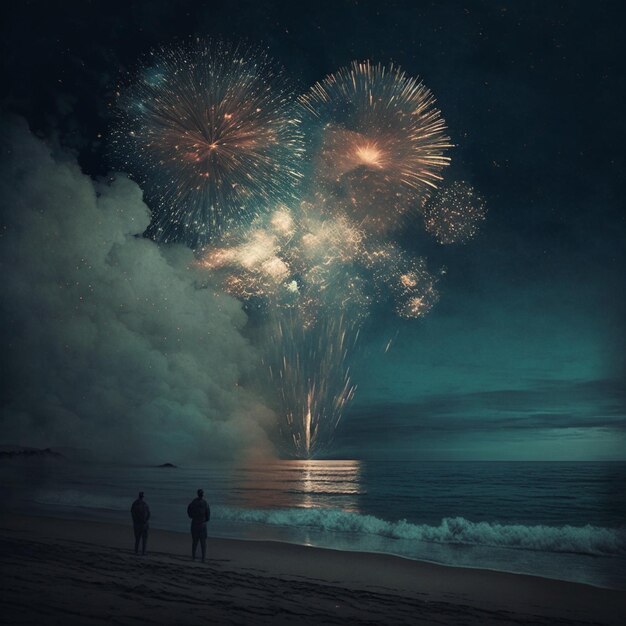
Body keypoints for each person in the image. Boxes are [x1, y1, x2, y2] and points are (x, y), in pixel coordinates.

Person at [187, 488, 210, 562]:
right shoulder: (205, 503)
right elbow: (208, 516)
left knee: (195, 542)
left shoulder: (193, 503)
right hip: (202, 524)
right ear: (202, 495)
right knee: (203, 542)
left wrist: (194, 517)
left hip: (195, 524)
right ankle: (203, 558)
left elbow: (189, 513)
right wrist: (205, 519)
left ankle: (193, 557)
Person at [130, 491, 150, 555]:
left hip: (137, 524)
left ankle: (136, 551)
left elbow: (133, 514)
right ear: (143, 497)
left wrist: (135, 521)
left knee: (137, 539)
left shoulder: (134, 504)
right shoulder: (145, 504)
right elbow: (149, 514)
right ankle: (143, 552)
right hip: (144, 524)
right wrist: (145, 521)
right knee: (144, 539)